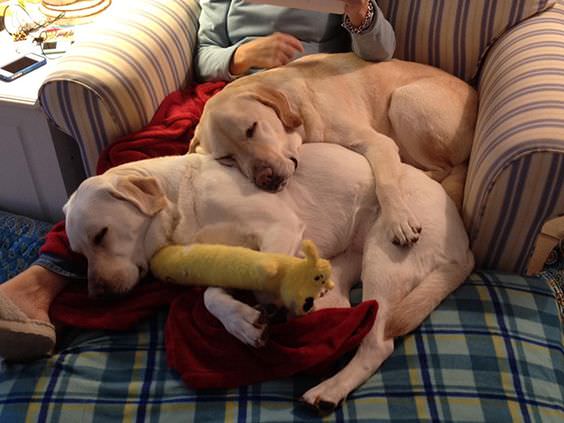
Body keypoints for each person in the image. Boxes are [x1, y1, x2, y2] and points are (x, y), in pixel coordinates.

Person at [0, 0, 396, 361]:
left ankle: (68, 291)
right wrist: (240, 55)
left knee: (156, 192)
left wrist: (359, 13)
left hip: (295, 99)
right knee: (126, 165)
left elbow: (380, 52)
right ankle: (43, 281)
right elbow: (205, 53)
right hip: (225, 105)